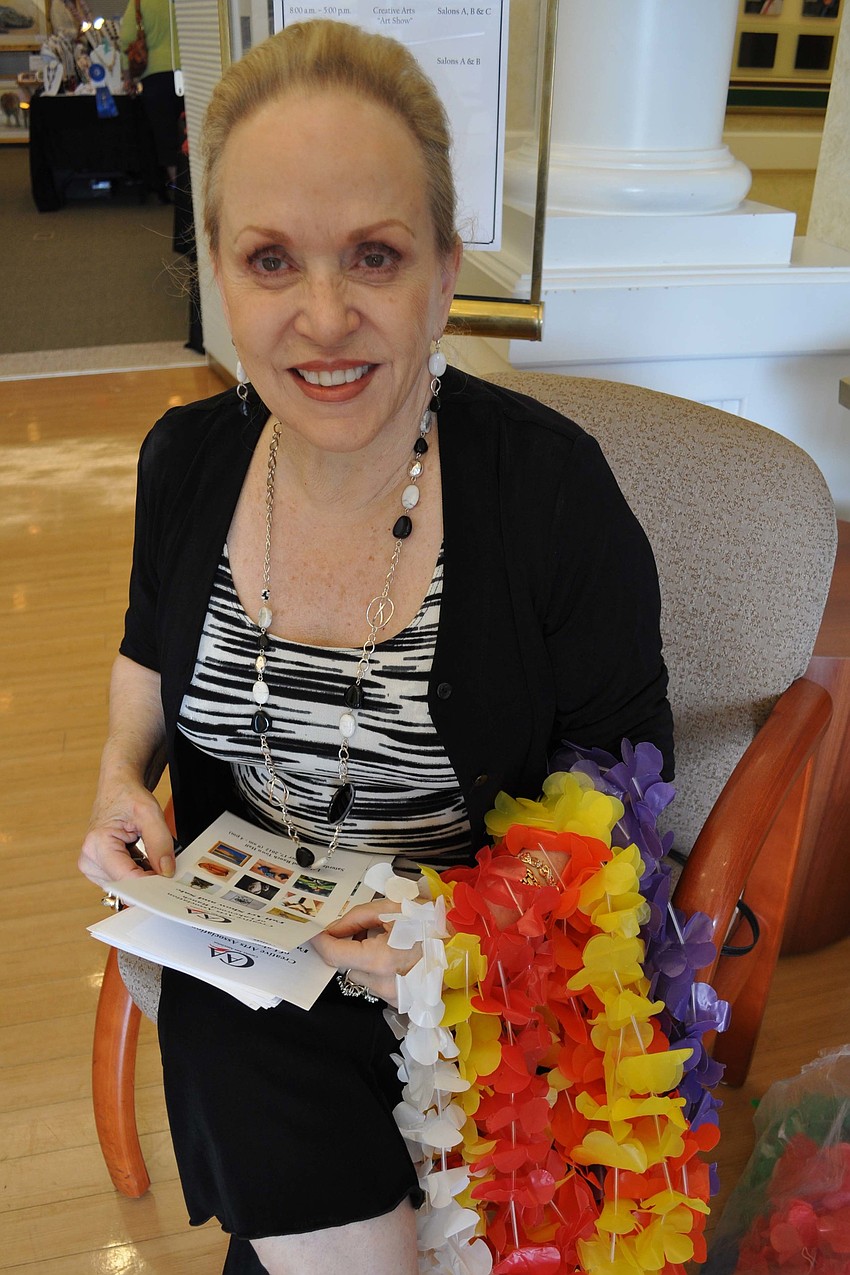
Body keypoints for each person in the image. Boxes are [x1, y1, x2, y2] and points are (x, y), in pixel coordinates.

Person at [78, 19, 674, 1275]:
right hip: (260, 942)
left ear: (448, 269)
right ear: (221, 279)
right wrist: (121, 778)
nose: (325, 317)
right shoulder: (187, 463)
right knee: (234, 1004)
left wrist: (441, 933)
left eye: (377, 256)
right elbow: (147, 651)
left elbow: (627, 794)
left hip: (473, 978)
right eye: (272, 261)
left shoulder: (551, 492)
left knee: (256, 1079)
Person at [119, 0, 181, 184]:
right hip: (189, 71)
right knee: (193, 134)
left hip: (155, 77)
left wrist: (127, 77)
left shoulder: (140, 2)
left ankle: (180, 194)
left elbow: (126, 40)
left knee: (166, 139)